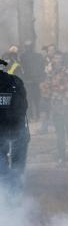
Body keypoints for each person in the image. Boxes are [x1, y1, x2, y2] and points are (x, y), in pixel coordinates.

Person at [41, 52, 68, 167]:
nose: (56, 61)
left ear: (63, 60)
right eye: (54, 58)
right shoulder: (51, 74)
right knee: (60, 135)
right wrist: (46, 90)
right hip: (56, 107)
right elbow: (46, 90)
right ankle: (61, 159)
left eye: (58, 59)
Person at [0, 58, 29, 192]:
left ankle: (6, 194)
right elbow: (24, 106)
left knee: (2, 163)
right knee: (17, 166)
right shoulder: (16, 81)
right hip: (18, 128)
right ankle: (16, 194)